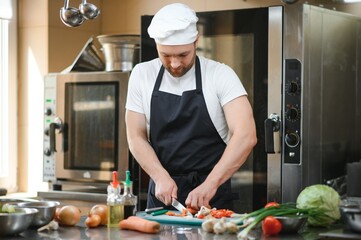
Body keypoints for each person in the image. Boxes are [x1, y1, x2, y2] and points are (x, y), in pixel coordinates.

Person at [125, 3, 257, 210]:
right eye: (166, 55)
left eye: (183, 55)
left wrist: (210, 184)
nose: (175, 63)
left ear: (197, 41)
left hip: (210, 196)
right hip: (162, 195)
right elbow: (135, 136)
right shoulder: (142, 75)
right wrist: (160, 176)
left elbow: (245, 135)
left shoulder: (220, 75)